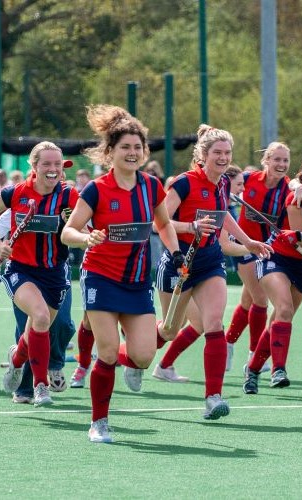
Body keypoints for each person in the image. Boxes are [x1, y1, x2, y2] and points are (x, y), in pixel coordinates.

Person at [61, 105, 181, 443]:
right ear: (110, 152)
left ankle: (119, 360)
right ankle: (99, 422)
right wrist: (87, 237)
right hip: (100, 276)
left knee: (142, 357)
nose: (132, 153)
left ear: (144, 153)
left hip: (137, 281)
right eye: (124, 147)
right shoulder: (96, 190)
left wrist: (174, 253)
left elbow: (164, 223)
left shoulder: (152, 187)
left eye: (137, 147)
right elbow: (68, 232)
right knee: (109, 351)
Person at [152, 125, 271, 418]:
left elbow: (223, 220)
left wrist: (248, 243)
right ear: (203, 155)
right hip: (178, 264)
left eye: (227, 153)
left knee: (214, 322)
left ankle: (213, 397)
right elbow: (160, 222)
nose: (223, 157)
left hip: (209, 262)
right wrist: (191, 227)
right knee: (169, 331)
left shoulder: (221, 185)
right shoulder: (183, 183)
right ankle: (129, 356)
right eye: (217, 152)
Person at [0, 141, 78, 407]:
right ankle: (40, 386)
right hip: (21, 270)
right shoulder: (15, 193)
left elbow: (83, 223)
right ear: (34, 166)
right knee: (38, 316)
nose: (52, 169)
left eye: (57, 164)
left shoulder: (69, 196)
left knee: (40, 328)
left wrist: (83, 232)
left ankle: (16, 360)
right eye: (46, 164)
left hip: (55, 273)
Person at [242, 156, 302, 394]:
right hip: (277, 257)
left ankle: (252, 371)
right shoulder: (297, 199)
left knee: (279, 320)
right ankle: (278, 370)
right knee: (284, 309)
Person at [225, 142, 291, 375]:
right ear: (267, 161)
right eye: (277, 160)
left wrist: (299, 188)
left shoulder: (287, 189)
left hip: (268, 250)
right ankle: (255, 355)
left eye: (285, 161)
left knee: (247, 302)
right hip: (243, 247)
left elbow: (298, 188)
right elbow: (224, 184)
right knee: (260, 299)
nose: (281, 165)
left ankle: (228, 343)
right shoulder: (248, 179)